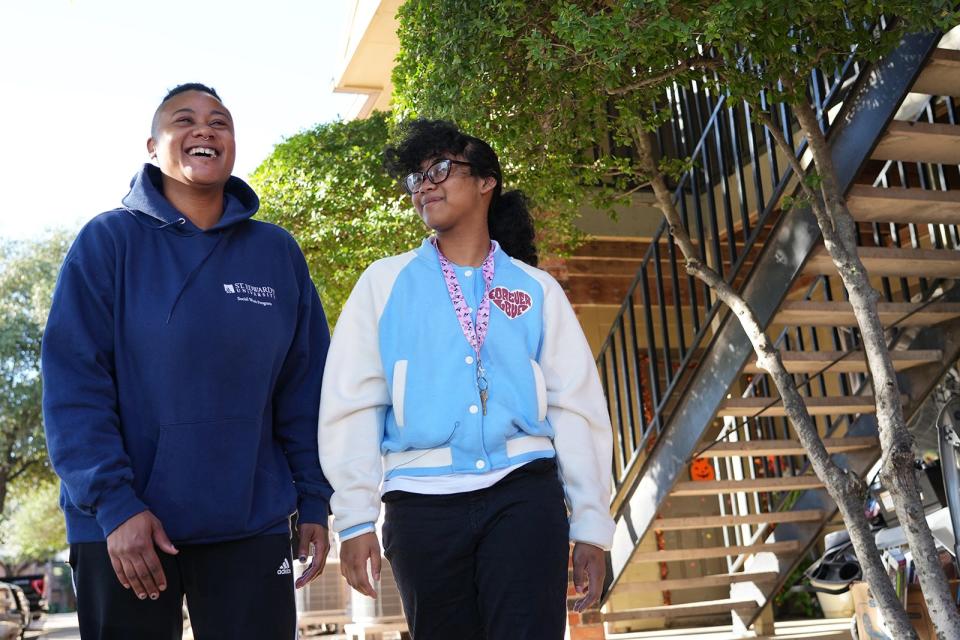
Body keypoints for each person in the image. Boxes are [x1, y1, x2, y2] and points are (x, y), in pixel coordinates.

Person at [42, 83, 333, 640]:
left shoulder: (276, 253)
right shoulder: (106, 242)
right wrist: (115, 506)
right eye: (185, 119)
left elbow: (305, 390)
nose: (205, 129)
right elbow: (73, 385)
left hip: (250, 520)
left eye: (219, 121)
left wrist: (314, 500)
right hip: (125, 526)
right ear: (153, 145)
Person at [318, 119, 615, 640]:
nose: (424, 184)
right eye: (415, 177)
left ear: (486, 181)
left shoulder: (536, 289)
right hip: (421, 506)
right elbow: (353, 405)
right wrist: (356, 520)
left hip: (524, 496)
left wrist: (592, 524)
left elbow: (576, 408)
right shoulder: (383, 284)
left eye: (440, 169)